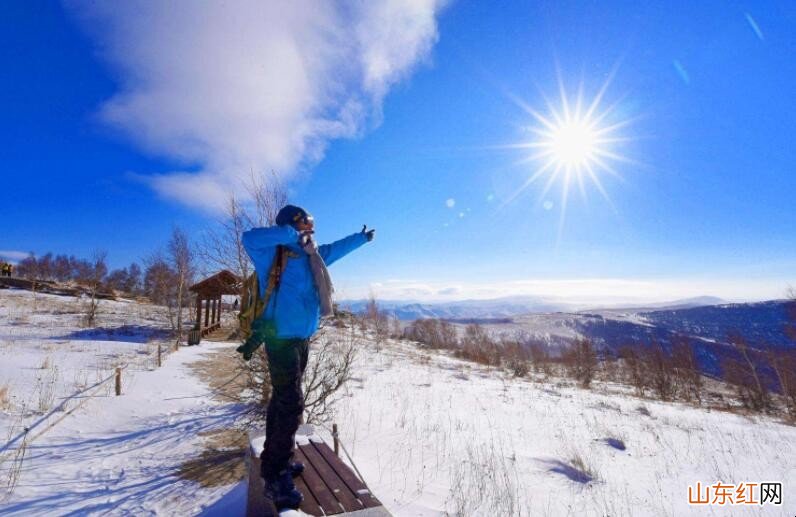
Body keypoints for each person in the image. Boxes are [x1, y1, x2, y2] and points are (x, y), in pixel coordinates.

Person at [239, 204, 374, 510]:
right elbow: (248, 237)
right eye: (306, 225)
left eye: (311, 226)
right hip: (280, 340)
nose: (311, 231)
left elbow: (337, 248)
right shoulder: (272, 253)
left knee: (282, 400)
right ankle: (276, 476)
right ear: (292, 225)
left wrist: (362, 238)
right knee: (291, 403)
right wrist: (289, 231)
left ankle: (276, 459)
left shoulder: (313, 254)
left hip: (301, 339)